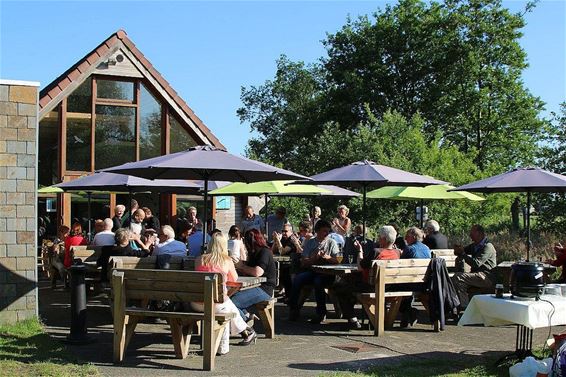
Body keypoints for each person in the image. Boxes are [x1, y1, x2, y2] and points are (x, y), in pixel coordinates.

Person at [193, 233, 257, 353]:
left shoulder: (199, 259)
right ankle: (241, 335)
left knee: (228, 306)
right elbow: (234, 279)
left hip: (196, 304)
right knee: (227, 306)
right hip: (216, 305)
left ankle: (246, 333)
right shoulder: (227, 261)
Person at [334, 225, 401, 329]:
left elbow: (360, 267)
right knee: (349, 287)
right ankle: (369, 318)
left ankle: (352, 319)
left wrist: (359, 250)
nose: (378, 238)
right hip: (389, 286)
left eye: (379, 236)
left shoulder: (377, 252)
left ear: (383, 239)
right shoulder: (397, 253)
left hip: (371, 286)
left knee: (340, 288)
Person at [288, 220, 340, 324]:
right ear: (317, 231)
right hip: (312, 271)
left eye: (328, 231)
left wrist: (327, 257)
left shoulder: (331, 242)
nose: (327, 233)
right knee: (298, 279)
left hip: (327, 274)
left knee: (318, 282)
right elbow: (304, 262)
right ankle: (293, 308)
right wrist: (314, 258)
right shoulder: (311, 242)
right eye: (324, 231)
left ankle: (321, 313)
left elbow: (337, 261)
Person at [231, 229, 277, 325]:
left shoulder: (265, 252)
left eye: (245, 242)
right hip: (253, 286)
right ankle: (247, 317)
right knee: (229, 298)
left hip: (264, 288)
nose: (244, 245)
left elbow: (257, 272)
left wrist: (242, 266)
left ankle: (246, 326)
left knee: (232, 302)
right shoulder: (253, 253)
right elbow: (248, 269)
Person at [451, 224, 497, 309]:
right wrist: (458, 249)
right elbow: (461, 251)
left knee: (458, 277)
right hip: (477, 276)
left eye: (472, 234)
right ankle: (465, 308)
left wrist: (463, 254)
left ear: (479, 234)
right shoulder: (474, 246)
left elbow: (476, 263)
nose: (470, 236)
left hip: (486, 277)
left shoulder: (487, 247)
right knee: (459, 283)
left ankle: (464, 307)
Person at [399, 227, 431, 328]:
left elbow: (401, 268)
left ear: (413, 236)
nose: (405, 238)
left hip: (410, 283)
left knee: (395, 287)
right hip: (424, 283)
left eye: (407, 236)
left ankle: (410, 312)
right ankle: (408, 315)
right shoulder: (427, 248)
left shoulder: (409, 249)